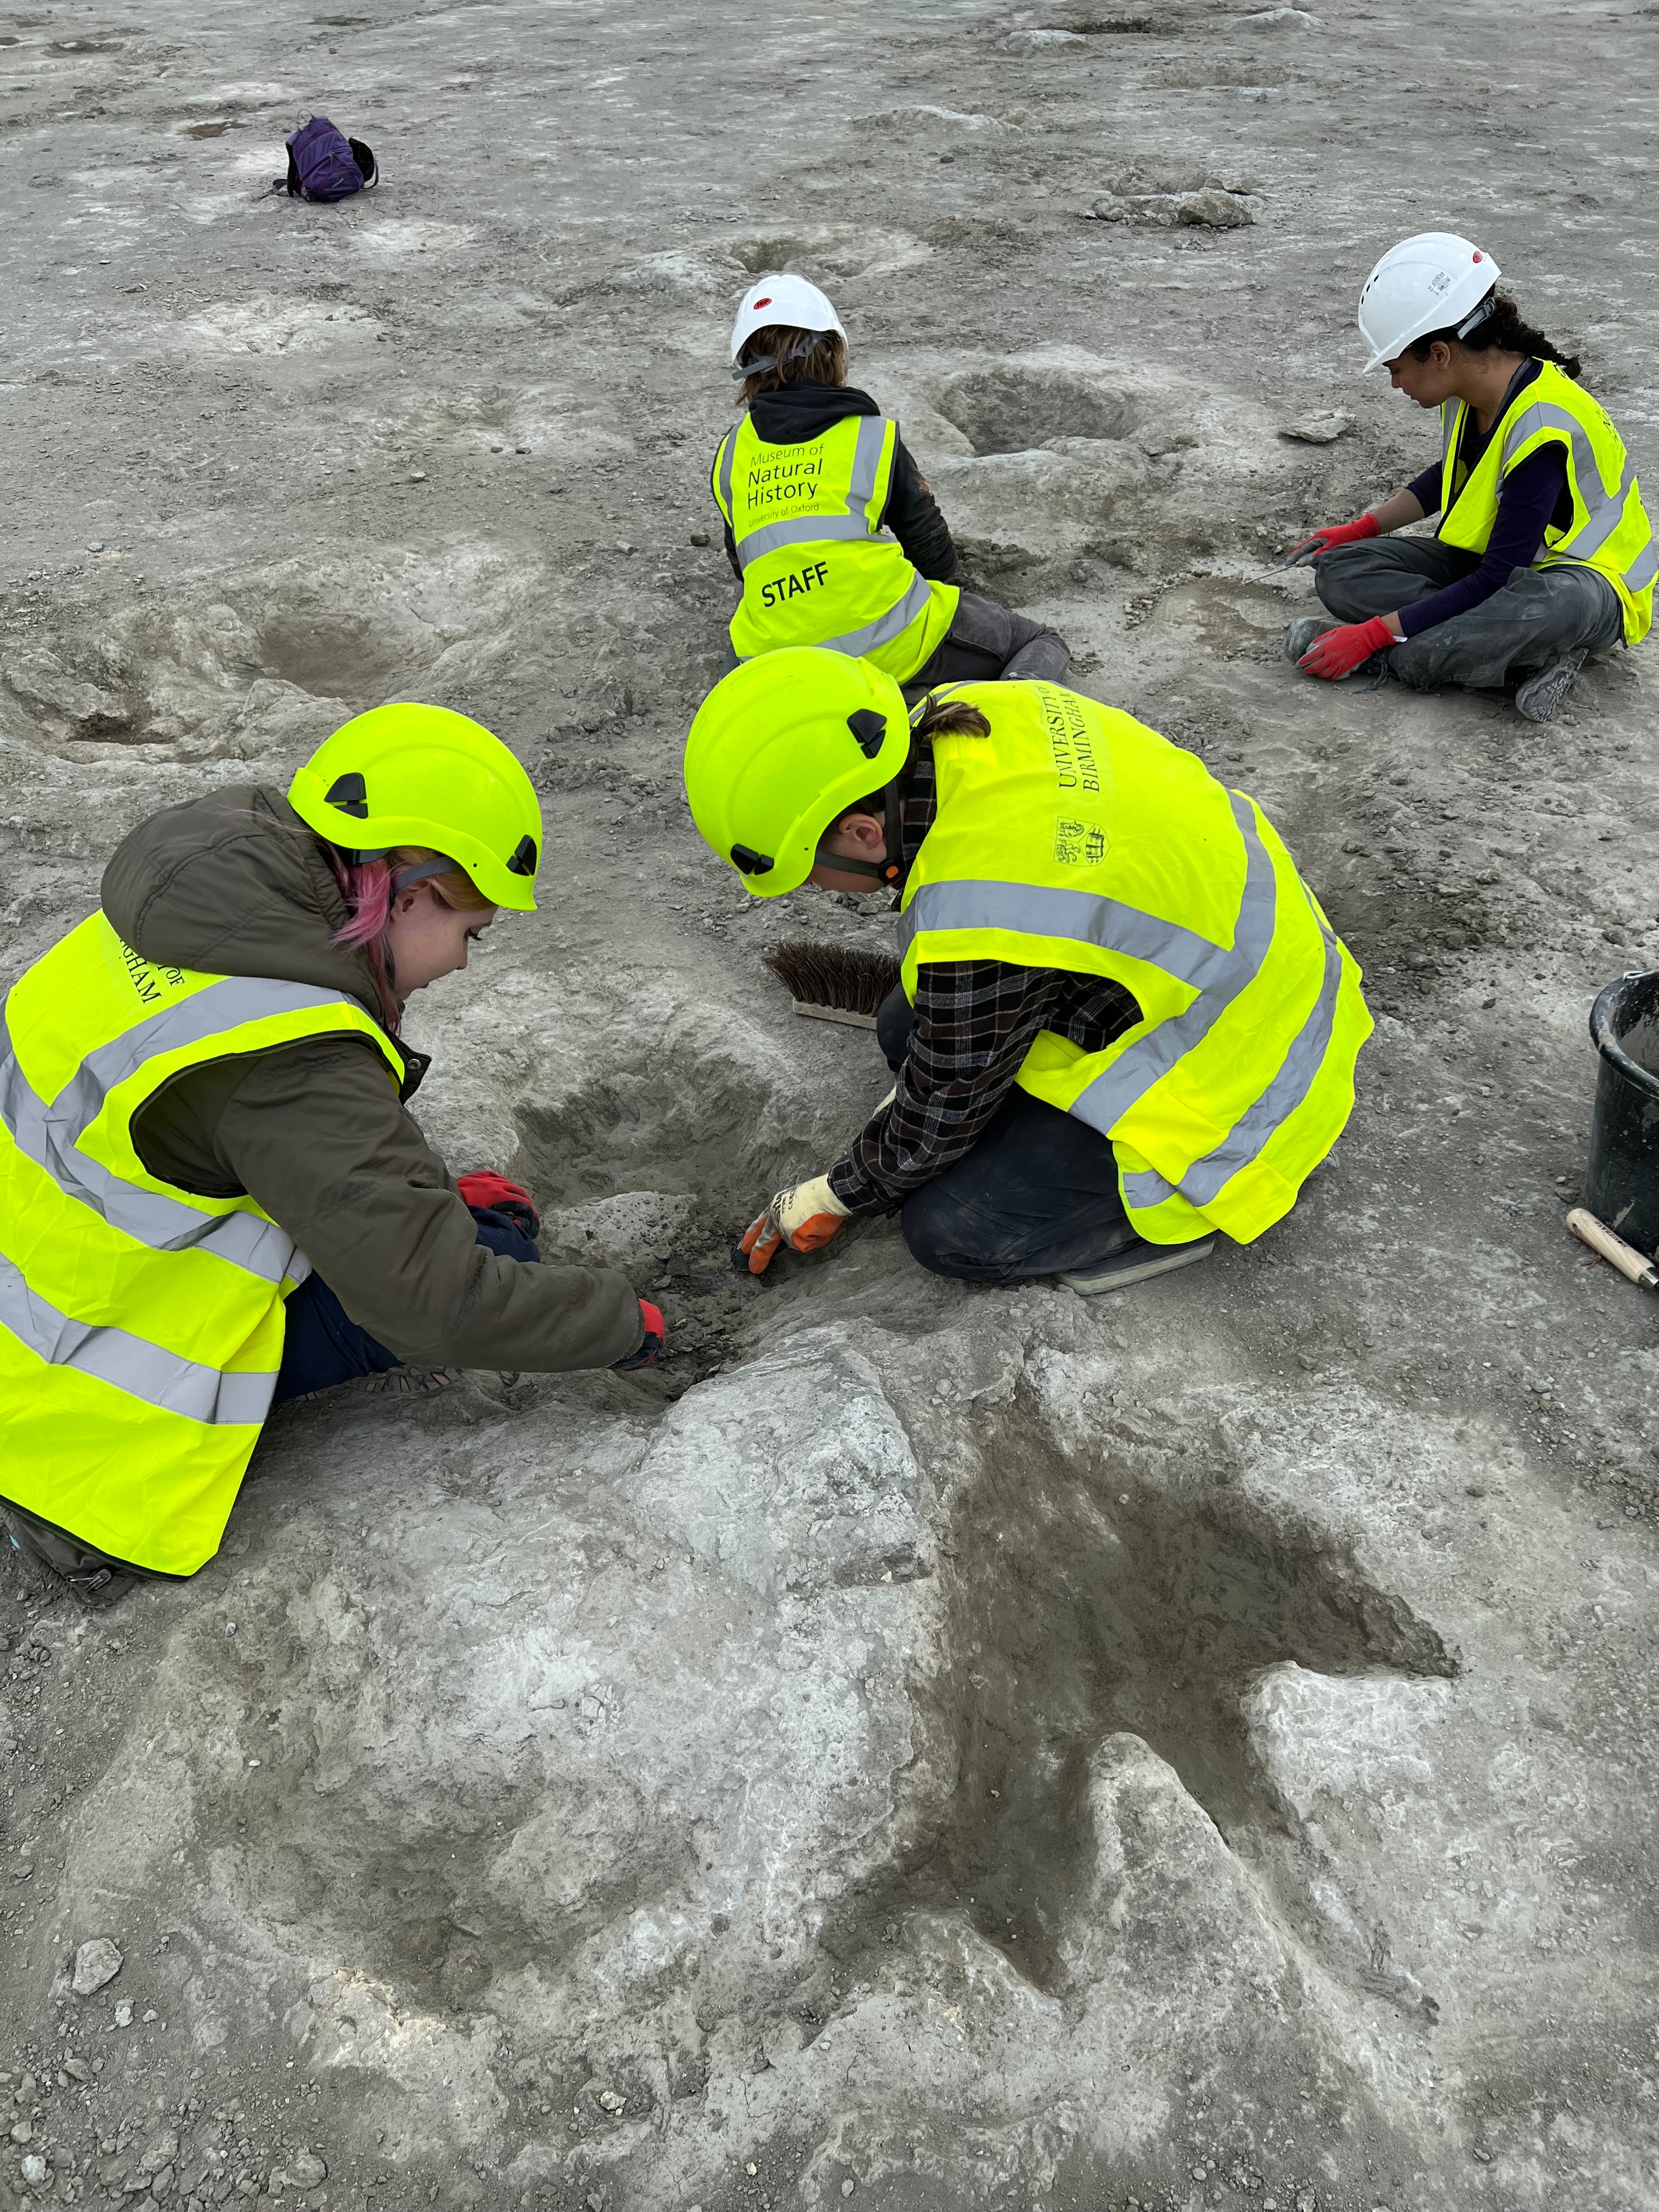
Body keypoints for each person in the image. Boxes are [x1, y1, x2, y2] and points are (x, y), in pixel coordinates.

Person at [0, 703, 662, 1607]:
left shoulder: (202, 904)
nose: (464, 963)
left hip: (53, 1282)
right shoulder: (289, 1055)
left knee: (457, 1224)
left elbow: (248, 1139)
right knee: (493, 1257)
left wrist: (422, 1195)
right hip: (84, 1415)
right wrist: (618, 1318)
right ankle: (79, 1502)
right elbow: (438, 1306)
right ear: (414, 888)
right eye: (471, 930)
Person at [682, 650, 1372, 1291]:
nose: (822, 891)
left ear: (864, 833)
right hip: (1236, 958)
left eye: (813, 872)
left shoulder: (984, 907)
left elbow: (941, 1106)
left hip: (1245, 1071)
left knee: (953, 1231)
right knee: (906, 1023)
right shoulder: (976, 711)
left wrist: (834, 1195)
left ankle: (1165, 1229)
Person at [1283, 232, 1654, 723]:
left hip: (1582, 585)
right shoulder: (1469, 393)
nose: (1395, 383)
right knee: (1341, 571)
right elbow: (1451, 476)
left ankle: (1430, 652)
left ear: (1439, 353)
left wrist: (1373, 635)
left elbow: (1500, 576)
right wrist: (1360, 531)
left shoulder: (1543, 425)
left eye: (1396, 368)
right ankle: (1502, 650)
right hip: (1494, 569)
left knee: (1508, 619)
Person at [711, 273, 1069, 696]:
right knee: (1040, 641)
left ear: (747, 371)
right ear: (831, 353)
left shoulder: (732, 454)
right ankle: (1003, 710)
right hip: (889, 642)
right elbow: (930, 550)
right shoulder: (870, 436)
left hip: (776, 663)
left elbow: (745, 566)